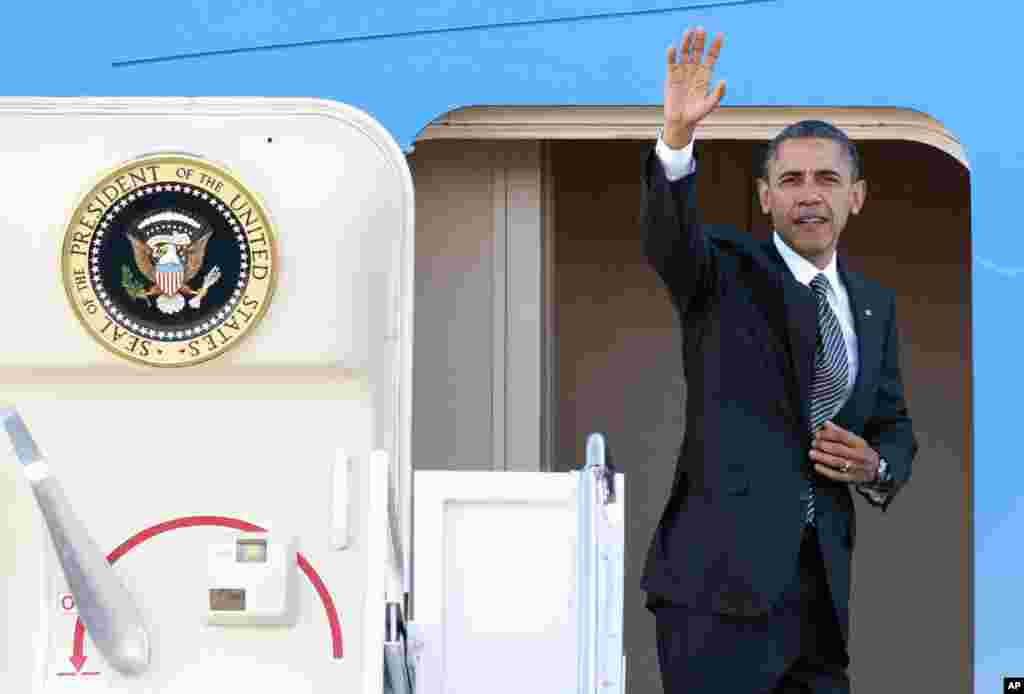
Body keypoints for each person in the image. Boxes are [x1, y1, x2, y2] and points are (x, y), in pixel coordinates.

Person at [639, 27, 919, 693]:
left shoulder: (874, 304)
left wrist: (875, 465)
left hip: (820, 602)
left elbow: (894, 425)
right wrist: (676, 141)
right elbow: (669, 240)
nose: (808, 193)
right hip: (716, 597)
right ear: (765, 197)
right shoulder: (723, 272)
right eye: (789, 179)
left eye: (827, 178)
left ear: (856, 195)